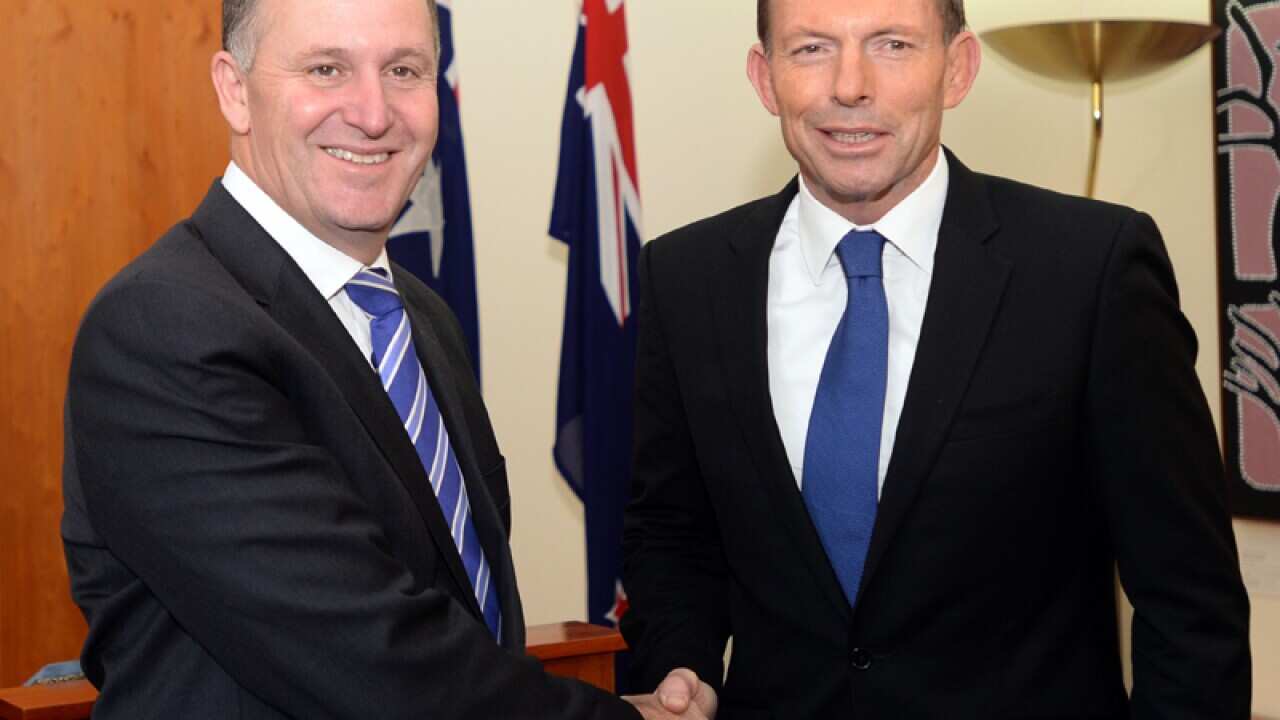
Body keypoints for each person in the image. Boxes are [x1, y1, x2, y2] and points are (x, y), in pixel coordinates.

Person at [60, 1, 708, 718]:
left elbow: (465, 612)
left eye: (403, 70)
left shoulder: (420, 319)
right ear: (233, 90)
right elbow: (367, 654)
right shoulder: (163, 328)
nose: (373, 114)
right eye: (326, 68)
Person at [621, 0, 1253, 717]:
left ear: (957, 69)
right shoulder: (686, 278)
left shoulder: (1089, 271)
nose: (850, 85)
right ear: (765, 79)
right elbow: (671, 531)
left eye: (891, 45)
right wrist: (681, 663)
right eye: (811, 50)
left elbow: (1190, 604)